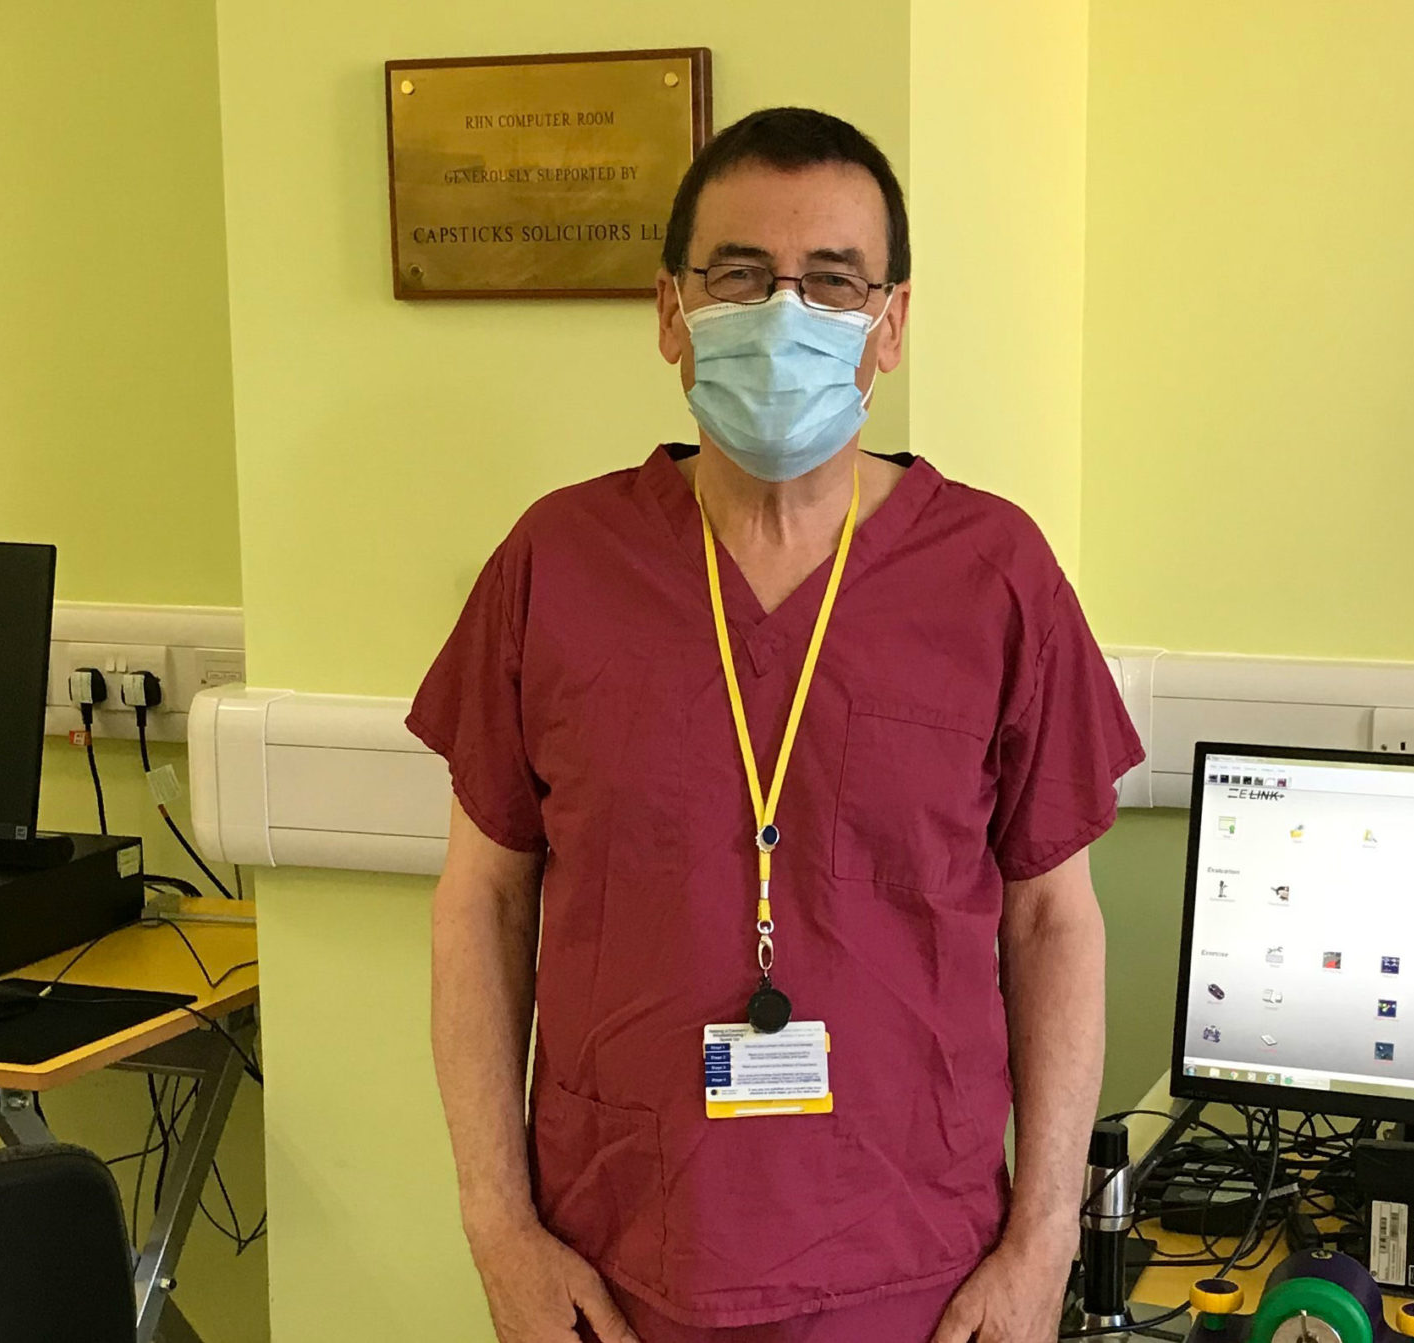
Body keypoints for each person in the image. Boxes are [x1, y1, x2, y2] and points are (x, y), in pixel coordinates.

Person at [414, 107, 1141, 1343]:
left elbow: (1053, 915)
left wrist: (1047, 1237)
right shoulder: (559, 563)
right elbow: (482, 899)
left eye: (834, 282)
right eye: (742, 277)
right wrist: (498, 1230)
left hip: (919, 1275)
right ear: (671, 313)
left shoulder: (994, 574)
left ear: (890, 324)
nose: (786, 312)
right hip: (612, 1268)